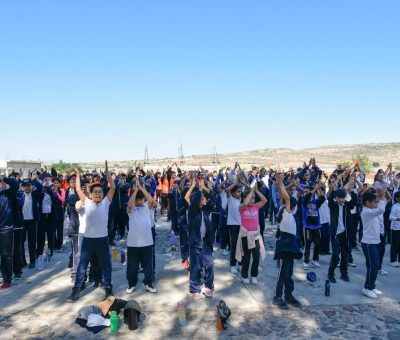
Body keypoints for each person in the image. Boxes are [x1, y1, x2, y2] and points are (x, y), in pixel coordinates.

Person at [67, 161, 115, 303]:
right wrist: (77, 175)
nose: (98, 194)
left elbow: (113, 187)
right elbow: (78, 190)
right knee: (82, 265)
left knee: (106, 265)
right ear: (91, 194)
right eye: (96, 192)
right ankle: (76, 291)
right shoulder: (87, 202)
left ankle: (108, 288)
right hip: (88, 239)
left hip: (102, 239)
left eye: (100, 192)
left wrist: (107, 174)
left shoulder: (106, 203)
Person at [273, 173, 302, 309]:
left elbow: (284, 197)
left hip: (291, 246)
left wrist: (281, 186)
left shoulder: (284, 210)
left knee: (289, 274)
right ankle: (277, 297)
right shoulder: (286, 212)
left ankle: (288, 295)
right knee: (282, 274)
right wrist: (280, 183)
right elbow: (286, 198)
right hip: (285, 246)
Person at [125, 178, 157, 294]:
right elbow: (129, 204)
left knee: (148, 266)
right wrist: (135, 191)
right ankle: (131, 284)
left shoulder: (147, 208)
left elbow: (152, 201)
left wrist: (142, 189)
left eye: (141, 199)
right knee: (132, 267)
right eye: (137, 199)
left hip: (147, 242)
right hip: (133, 243)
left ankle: (148, 283)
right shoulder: (131, 209)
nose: (139, 201)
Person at [185, 179, 215, 299]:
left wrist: (205, 189)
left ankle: (208, 286)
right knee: (196, 267)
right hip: (195, 243)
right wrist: (197, 189)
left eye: (204, 199)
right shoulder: (193, 211)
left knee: (210, 264)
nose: (202, 201)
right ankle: (194, 288)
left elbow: (212, 199)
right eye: (200, 199)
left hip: (206, 242)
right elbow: (189, 199)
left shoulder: (206, 210)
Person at [235, 184, 267, 284]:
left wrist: (256, 191)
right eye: (251, 198)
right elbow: (245, 203)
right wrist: (251, 192)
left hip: (255, 235)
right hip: (245, 236)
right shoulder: (241, 207)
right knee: (246, 257)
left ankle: (254, 275)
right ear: (245, 198)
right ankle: (244, 276)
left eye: (254, 198)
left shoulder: (255, 207)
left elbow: (265, 200)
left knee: (256, 256)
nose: (253, 199)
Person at [326, 181, 355, 283]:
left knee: (345, 254)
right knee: (335, 254)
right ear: (336, 198)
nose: (341, 199)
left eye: (343, 197)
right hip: (335, 234)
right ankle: (330, 274)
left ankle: (344, 274)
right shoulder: (333, 206)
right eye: (339, 197)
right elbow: (329, 199)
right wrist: (333, 190)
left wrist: (348, 191)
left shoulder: (347, 206)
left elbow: (353, 202)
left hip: (345, 234)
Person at [360, 188, 386, 299]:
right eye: (374, 202)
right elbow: (381, 210)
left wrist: (380, 198)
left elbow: (380, 215)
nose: (376, 204)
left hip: (375, 242)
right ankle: (367, 288)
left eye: (376, 202)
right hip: (368, 243)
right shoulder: (366, 212)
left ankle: (371, 285)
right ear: (367, 203)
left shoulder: (371, 211)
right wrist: (381, 197)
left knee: (374, 266)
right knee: (373, 266)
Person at [20, 173, 43, 268]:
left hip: (32, 221)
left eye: (28, 185)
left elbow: (41, 188)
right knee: (21, 242)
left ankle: (32, 261)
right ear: (22, 187)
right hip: (22, 222)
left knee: (32, 242)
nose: (27, 188)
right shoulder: (19, 195)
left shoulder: (35, 195)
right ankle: (23, 261)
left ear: (31, 186)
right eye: (24, 186)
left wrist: (34, 179)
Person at [0, 175, 19, 289]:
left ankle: (7, 279)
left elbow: (16, 184)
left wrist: (4, 178)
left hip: (5, 229)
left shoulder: (8, 194)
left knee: (6, 255)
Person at [301, 183, 325, 269]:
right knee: (307, 244)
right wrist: (314, 189)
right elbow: (307, 197)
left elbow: (323, 198)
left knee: (317, 244)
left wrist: (318, 189)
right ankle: (305, 261)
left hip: (317, 227)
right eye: (306, 191)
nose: (307, 193)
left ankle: (315, 260)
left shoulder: (316, 202)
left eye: (308, 191)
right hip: (308, 227)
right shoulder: (304, 200)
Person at [226, 179, 243, 274]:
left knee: (241, 245)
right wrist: (236, 182)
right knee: (234, 245)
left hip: (241, 225)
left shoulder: (241, 199)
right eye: (238, 191)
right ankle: (233, 264)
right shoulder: (230, 199)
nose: (240, 193)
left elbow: (251, 189)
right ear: (233, 193)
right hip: (233, 225)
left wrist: (242, 181)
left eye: (240, 192)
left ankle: (240, 263)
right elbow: (228, 190)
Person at [389, 191, 400, 267]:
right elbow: (390, 217)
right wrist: (397, 218)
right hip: (395, 228)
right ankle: (393, 260)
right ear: (397, 198)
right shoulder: (395, 206)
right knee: (395, 244)